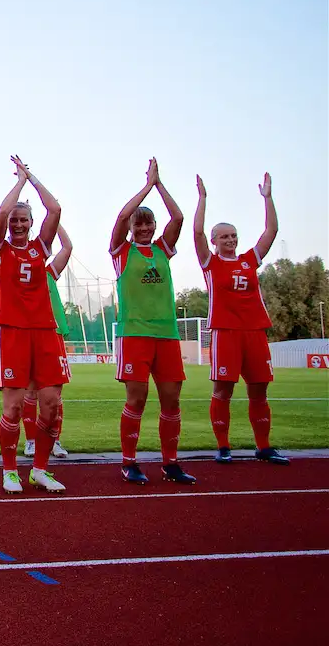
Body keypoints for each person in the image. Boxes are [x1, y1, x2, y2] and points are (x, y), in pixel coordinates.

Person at [106, 160, 198, 484]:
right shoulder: (121, 252)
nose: (143, 229)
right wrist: (145, 187)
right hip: (135, 335)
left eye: (148, 223)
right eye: (139, 224)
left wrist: (159, 185)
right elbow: (120, 217)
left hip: (167, 335)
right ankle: (128, 462)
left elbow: (179, 218)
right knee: (137, 399)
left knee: (171, 399)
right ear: (132, 228)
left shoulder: (162, 249)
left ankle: (170, 463)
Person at [195, 172, 287, 465]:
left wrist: (268, 198)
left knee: (259, 390)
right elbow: (196, 233)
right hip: (225, 331)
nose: (230, 240)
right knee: (223, 390)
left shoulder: (249, 260)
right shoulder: (211, 263)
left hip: (255, 331)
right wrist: (202, 199)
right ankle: (223, 446)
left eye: (233, 236)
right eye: (224, 237)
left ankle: (264, 446)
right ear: (214, 241)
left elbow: (270, 232)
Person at [0, 156, 68, 494]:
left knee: (50, 404)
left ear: (32, 223)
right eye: (15, 220)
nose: (18, 224)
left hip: (44, 332)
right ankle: (9, 471)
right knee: (15, 406)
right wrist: (17, 184)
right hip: (12, 332)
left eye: (24, 220)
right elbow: (1, 215)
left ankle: (40, 469)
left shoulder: (40, 248)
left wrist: (31, 178)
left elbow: (55, 210)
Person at [22, 226, 74, 461]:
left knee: (55, 394)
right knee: (30, 391)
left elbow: (67, 247)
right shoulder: (19, 271)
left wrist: (55, 221)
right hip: (30, 334)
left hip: (54, 333)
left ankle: (54, 440)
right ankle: (31, 441)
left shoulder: (49, 272)